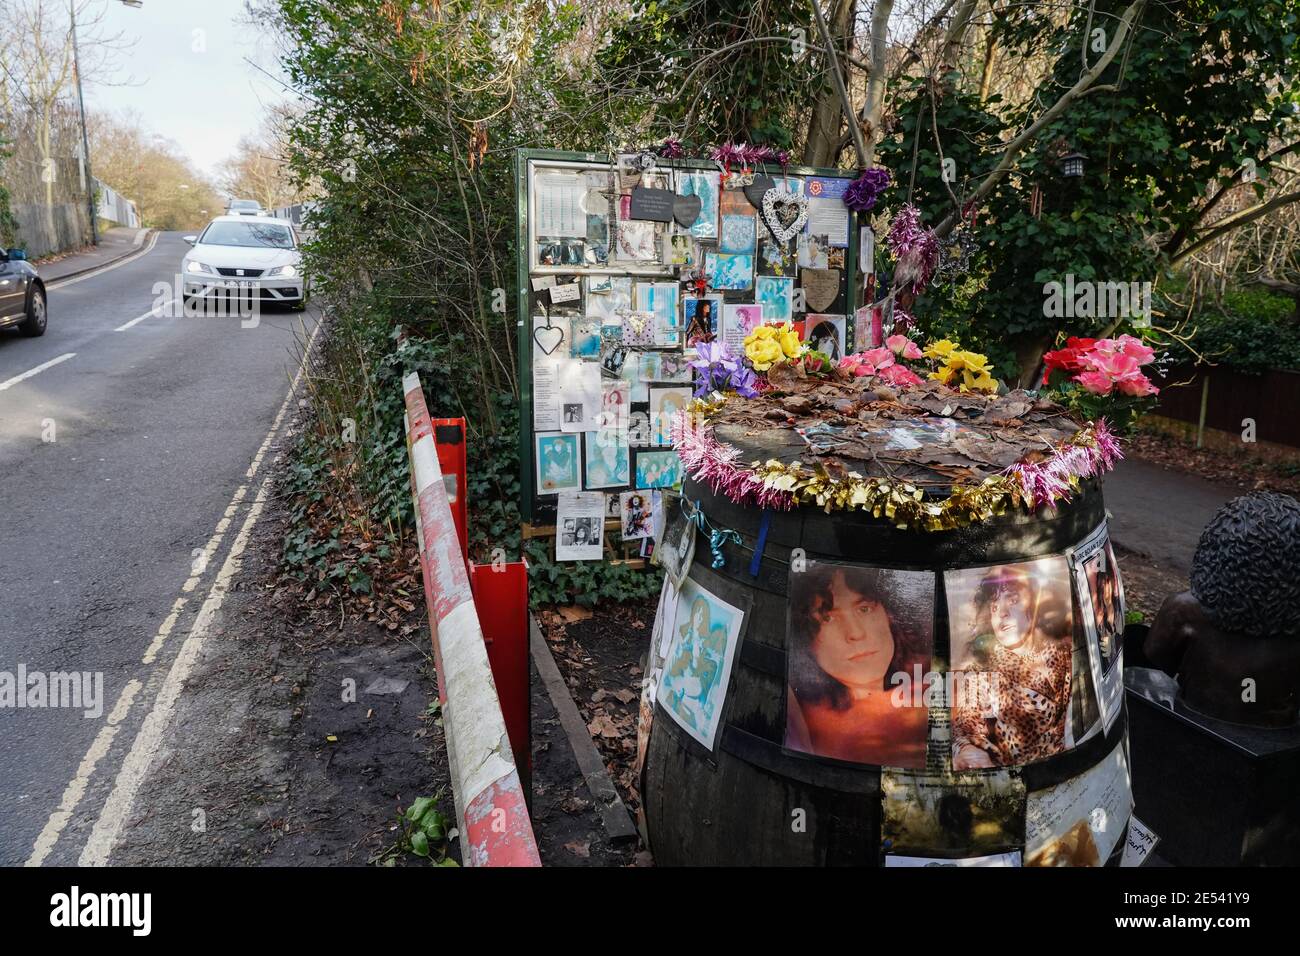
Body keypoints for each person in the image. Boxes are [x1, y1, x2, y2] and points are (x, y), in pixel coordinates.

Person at [785, 564, 931, 767]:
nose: (855, 633)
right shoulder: (798, 718)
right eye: (828, 617)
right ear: (802, 633)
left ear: (889, 616)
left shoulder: (936, 697)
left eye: (864, 609)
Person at [951, 566, 1072, 769]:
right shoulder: (979, 672)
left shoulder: (1066, 653)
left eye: (1013, 600)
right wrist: (967, 750)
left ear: (1035, 605)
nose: (1002, 614)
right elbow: (965, 729)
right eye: (994, 608)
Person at [664, 596, 723, 731]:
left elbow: (702, 682)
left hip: (690, 698)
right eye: (698, 613)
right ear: (693, 613)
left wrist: (698, 658)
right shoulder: (684, 632)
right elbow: (670, 672)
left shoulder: (704, 644)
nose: (700, 618)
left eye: (704, 615)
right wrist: (680, 649)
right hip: (675, 689)